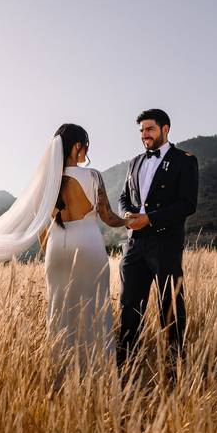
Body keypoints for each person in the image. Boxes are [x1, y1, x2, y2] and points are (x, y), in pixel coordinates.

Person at [40, 124, 127, 386]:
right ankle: (98, 375)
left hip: (57, 247)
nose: (85, 151)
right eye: (85, 146)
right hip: (88, 245)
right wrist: (129, 221)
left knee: (60, 309)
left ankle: (62, 375)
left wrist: (50, 253)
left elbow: (41, 227)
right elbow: (108, 217)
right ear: (77, 145)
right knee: (94, 308)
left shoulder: (47, 181)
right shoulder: (93, 176)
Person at [117, 109, 199, 380]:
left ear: (165, 129)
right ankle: (126, 370)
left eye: (149, 129)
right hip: (134, 245)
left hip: (164, 242)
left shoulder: (185, 161)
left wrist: (149, 219)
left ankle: (174, 370)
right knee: (129, 306)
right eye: (141, 131)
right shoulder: (135, 162)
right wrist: (127, 214)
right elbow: (124, 196)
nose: (144, 136)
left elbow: (187, 204)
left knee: (170, 305)